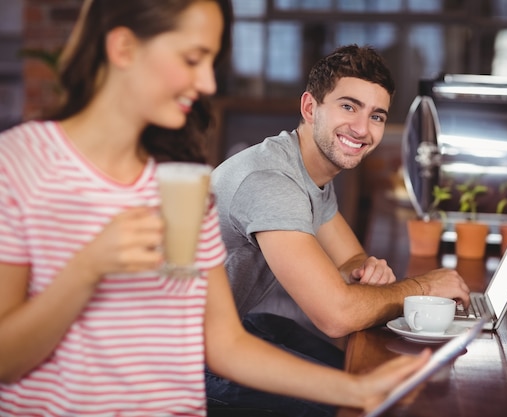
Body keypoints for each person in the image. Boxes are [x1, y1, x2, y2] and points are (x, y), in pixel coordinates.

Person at [0, 1, 434, 416]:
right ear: (124, 48)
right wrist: (86, 270)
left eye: (211, 62)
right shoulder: (19, 165)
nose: (208, 83)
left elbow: (222, 342)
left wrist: (356, 389)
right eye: (193, 59)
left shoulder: (180, 182)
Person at [207, 44, 472, 409]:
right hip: (180, 362)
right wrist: (425, 287)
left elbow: (351, 260)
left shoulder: (309, 170)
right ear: (310, 108)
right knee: (355, 404)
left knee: (361, 377)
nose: (362, 129)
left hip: (231, 328)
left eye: (377, 116)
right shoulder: (271, 181)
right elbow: (335, 315)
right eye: (348, 106)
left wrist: (363, 272)